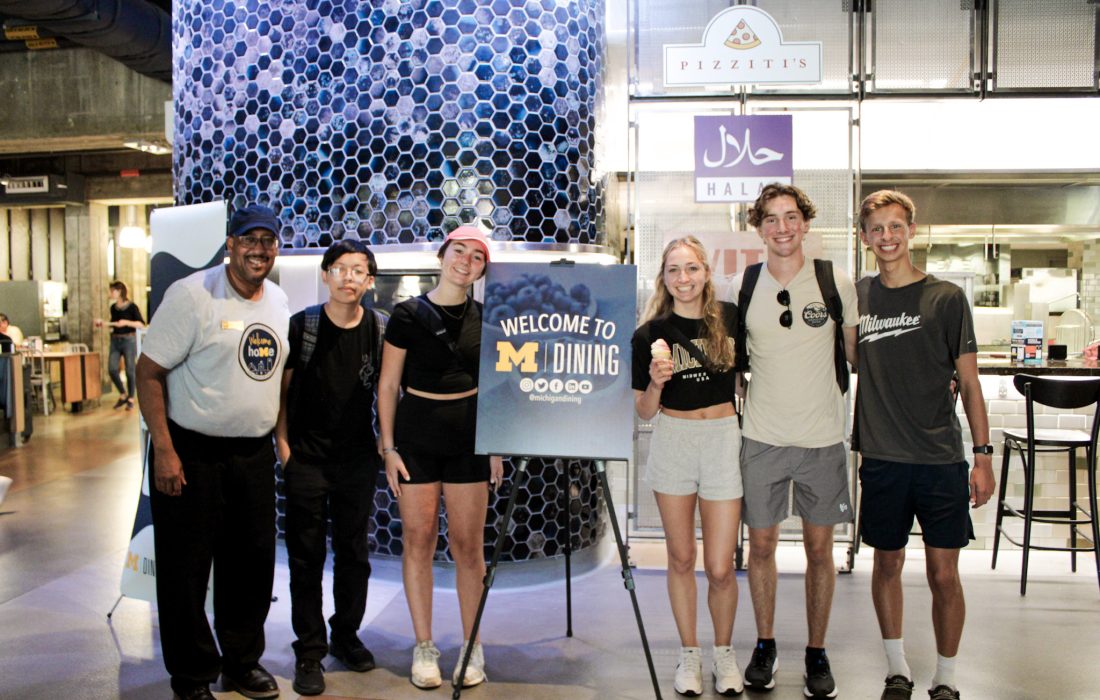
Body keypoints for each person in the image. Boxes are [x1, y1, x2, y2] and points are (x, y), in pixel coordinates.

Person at [136, 204, 289, 700]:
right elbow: (148, 371)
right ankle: (192, 674)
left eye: (268, 240)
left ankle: (242, 664)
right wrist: (164, 449)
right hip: (192, 452)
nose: (259, 249)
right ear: (231, 244)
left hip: (253, 456)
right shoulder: (192, 295)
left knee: (251, 566)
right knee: (185, 572)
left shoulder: (279, 301)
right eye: (249, 239)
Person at [854, 190, 994, 700]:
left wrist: (983, 455)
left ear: (912, 231)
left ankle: (947, 678)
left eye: (896, 226)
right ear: (864, 237)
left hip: (939, 459)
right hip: (884, 459)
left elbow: (971, 383)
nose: (887, 237)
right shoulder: (858, 297)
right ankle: (896, 670)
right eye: (877, 229)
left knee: (943, 574)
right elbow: (845, 357)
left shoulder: (946, 298)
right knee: (886, 563)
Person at [732, 183, 858, 699]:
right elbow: (735, 366)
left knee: (819, 548)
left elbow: (856, 355)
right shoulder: (745, 284)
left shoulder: (835, 282)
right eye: (770, 219)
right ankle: (765, 643)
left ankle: (816, 650)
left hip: (823, 439)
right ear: (758, 228)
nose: (781, 228)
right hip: (761, 437)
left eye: (790, 217)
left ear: (805, 224)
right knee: (760, 545)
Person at [377, 225, 503, 690]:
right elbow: (388, 385)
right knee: (419, 539)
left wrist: (494, 446)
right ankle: (424, 645)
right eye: (459, 251)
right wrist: (388, 448)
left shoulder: (489, 317)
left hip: (470, 440)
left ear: (483, 268)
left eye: (476, 257)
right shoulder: (406, 315)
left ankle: (472, 646)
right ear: (442, 254)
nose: (465, 261)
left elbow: (497, 386)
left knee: (470, 548)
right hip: (415, 440)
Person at [632, 236, 744, 697]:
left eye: (692, 268)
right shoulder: (649, 335)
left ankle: (724, 652)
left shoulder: (729, 319)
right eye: (675, 270)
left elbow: (750, 377)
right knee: (681, 558)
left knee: (720, 566)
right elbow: (643, 412)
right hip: (674, 439)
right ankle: (690, 654)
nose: (684, 278)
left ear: (706, 273)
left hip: (721, 439)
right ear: (664, 277)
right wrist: (656, 385)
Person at [274, 239, 386, 696]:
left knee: (355, 555)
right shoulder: (303, 327)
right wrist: (284, 450)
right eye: (339, 269)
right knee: (305, 559)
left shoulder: (380, 329)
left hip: (357, 462)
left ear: (370, 281)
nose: (348, 278)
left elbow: (389, 389)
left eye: (358, 270)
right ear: (325, 275)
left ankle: (345, 634)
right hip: (306, 461)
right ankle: (309, 650)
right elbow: (278, 392)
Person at [96, 281, 145, 409]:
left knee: (130, 370)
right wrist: (104, 324)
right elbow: (114, 324)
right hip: (115, 340)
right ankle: (123, 394)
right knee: (112, 368)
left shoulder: (132, 307)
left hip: (129, 340)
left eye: (113, 291)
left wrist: (127, 322)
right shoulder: (113, 308)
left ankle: (131, 398)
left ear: (120, 291)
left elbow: (140, 324)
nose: (111, 293)